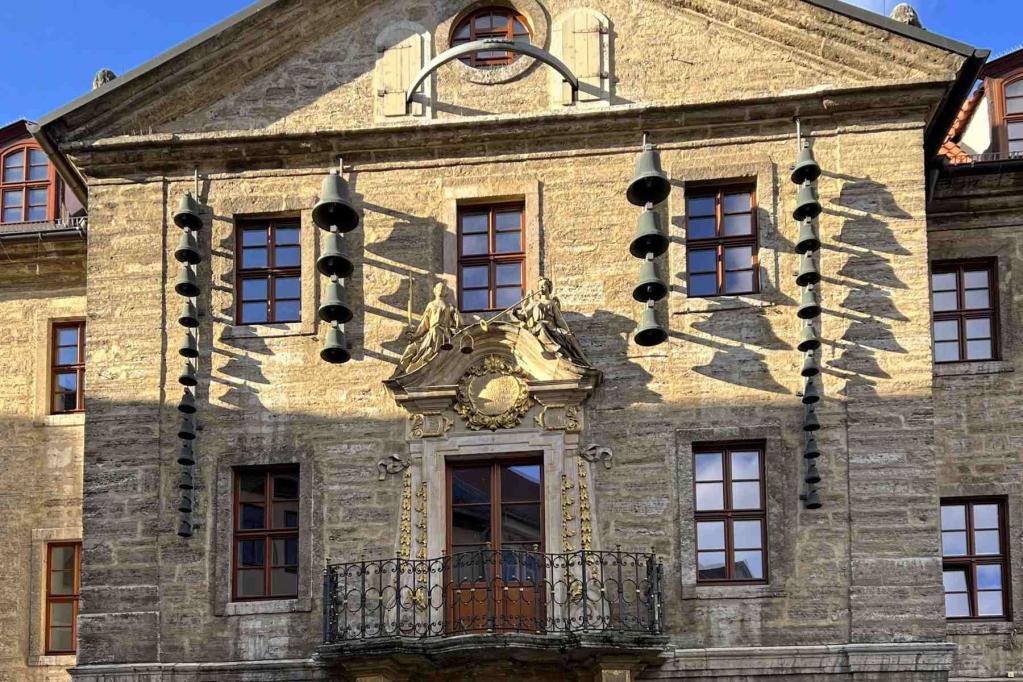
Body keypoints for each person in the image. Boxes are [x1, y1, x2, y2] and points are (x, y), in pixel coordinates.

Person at [513, 277, 587, 364]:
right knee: (542, 326)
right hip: (539, 328)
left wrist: (567, 330)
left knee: (570, 337)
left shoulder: (552, 303)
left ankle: (583, 360)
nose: (541, 287)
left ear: (548, 287)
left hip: (553, 328)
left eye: (543, 285)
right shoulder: (534, 303)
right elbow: (524, 316)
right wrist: (516, 313)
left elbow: (559, 319)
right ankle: (554, 347)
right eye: (539, 286)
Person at [399, 282, 463, 372]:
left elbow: (459, 322)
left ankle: (426, 355)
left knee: (436, 331)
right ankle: (400, 371)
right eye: (439, 288)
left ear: (446, 292)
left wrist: (456, 317)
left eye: (443, 288)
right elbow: (424, 324)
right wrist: (415, 335)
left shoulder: (450, 306)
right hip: (431, 333)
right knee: (410, 348)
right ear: (435, 290)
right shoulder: (431, 305)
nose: (441, 290)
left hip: (444, 334)